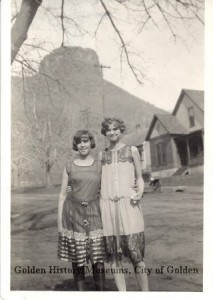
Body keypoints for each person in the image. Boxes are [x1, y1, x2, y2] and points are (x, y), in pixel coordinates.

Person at [99, 117, 149, 291]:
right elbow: (95, 181)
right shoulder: (101, 155)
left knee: (136, 254)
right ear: (104, 133)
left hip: (129, 205)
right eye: (108, 130)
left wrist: (140, 192)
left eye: (115, 129)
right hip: (108, 209)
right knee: (114, 257)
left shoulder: (132, 150)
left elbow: (140, 177)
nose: (111, 132)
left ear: (121, 130)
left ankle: (146, 294)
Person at [57, 130, 106, 291]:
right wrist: (59, 223)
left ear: (91, 143)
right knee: (77, 258)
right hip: (72, 214)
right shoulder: (69, 166)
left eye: (85, 141)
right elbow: (63, 194)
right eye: (79, 142)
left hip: (94, 213)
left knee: (97, 258)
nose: (83, 145)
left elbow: (108, 188)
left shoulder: (100, 166)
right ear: (76, 145)